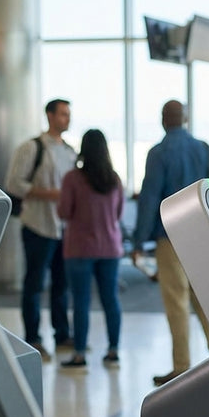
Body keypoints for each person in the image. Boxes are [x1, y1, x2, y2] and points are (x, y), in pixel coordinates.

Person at [133, 99, 209, 386]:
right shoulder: (203, 149)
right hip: (202, 236)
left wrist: (138, 240)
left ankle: (181, 366)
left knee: (177, 302)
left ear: (163, 120)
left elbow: (150, 198)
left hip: (170, 237)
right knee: (208, 299)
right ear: (184, 119)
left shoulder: (158, 153)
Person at [5, 98, 76, 360]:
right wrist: (48, 194)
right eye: (62, 114)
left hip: (64, 228)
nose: (67, 119)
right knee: (34, 284)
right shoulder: (32, 148)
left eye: (68, 114)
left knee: (61, 283)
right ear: (49, 116)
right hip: (37, 225)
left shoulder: (70, 151)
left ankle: (62, 334)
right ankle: (33, 337)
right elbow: (13, 183)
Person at [57, 129, 124, 371]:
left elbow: (64, 212)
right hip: (109, 247)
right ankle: (113, 352)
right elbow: (118, 214)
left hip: (79, 249)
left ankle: (79, 355)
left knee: (81, 302)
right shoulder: (114, 179)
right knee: (111, 300)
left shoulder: (72, 179)